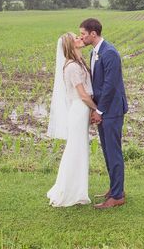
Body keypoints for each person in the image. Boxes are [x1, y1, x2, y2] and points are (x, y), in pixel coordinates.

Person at [80, 18, 128, 209]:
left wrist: (99, 110)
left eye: (83, 34)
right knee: (108, 152)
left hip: (112, 111)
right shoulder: (94, 52)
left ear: (93, 33)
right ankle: (115, 188)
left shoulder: (110, 53)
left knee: (114, 152)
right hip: (103, 110)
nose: (81, 37)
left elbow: (110, 85)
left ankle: (117, 196)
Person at [47, 32, 97, 207]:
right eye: (76, 38)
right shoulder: (72, 67)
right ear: (70, 45)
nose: (80, 39)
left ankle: (77, 190)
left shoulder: (77, 63)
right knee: (75, 150)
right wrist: (96, 109)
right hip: (79, 110)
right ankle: (69, 192)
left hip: (82, 110)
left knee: (78, 150)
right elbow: (82, 95)